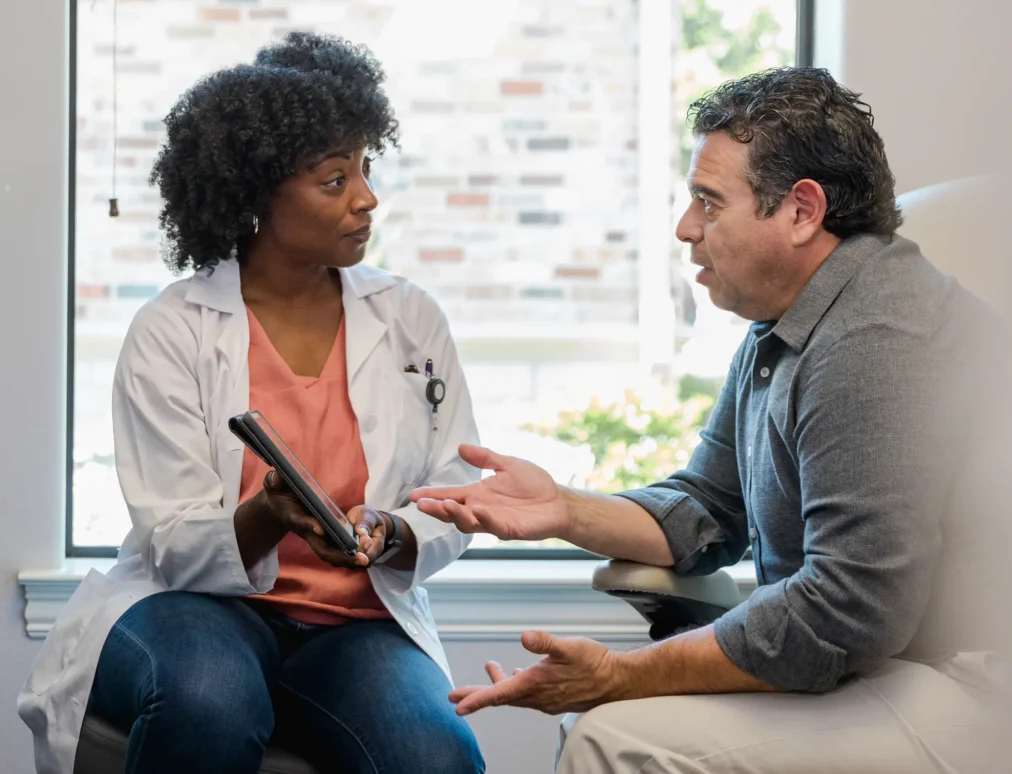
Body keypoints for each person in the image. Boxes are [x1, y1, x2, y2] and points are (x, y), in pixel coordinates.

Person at [411, 67, 1005, 772]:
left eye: (709, 202)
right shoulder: (788, 324)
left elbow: (848, 611)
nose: (686, 228)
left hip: (974, 683)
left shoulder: (874, 338)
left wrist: (622, 675)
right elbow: (711, 504)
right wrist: (563, 509)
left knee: (612, 736)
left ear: (801, 210)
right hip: (893, 661)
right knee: (607, 717)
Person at [18, 33, 484, 774]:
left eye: (366, 167)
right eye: (334, 180)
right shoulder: (175, 328)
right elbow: (172, 538)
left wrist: (394, 531)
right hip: (194, 609)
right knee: (208, 701)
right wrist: (268, 513)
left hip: (354, 624)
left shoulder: (410, 317)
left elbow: (457, 487)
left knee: (436, 751)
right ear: (255, 196)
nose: (366, 197)